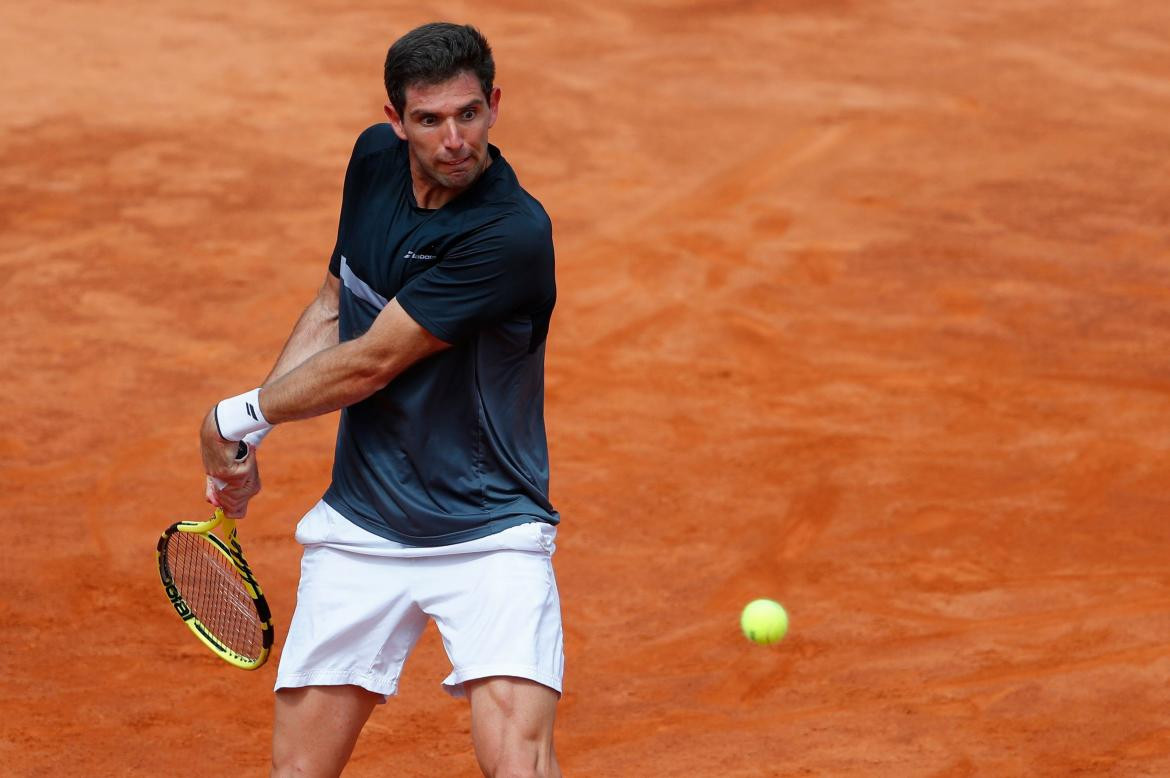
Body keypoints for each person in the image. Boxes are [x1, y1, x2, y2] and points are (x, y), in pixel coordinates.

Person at [198, 22, 563, 778]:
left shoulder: (511, 232)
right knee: (298, 772)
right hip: (363, 525)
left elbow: (370, 362)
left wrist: (236, 416)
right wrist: (253, 441)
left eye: (469, 114)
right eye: (429, 120)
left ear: (494, 104)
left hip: (490, 532)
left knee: (518, 765)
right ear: (396, 121)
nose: (454, 139)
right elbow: (337, 302)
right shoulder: (372, 163)